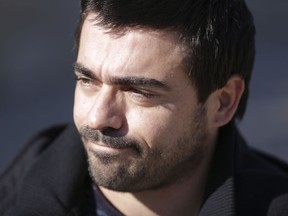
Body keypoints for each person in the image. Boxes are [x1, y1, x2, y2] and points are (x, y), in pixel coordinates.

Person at [1, 0, 288, 215]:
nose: (99, 117)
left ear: (223, 102)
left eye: (139, 91)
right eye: (87, 80)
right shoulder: (11, 200)